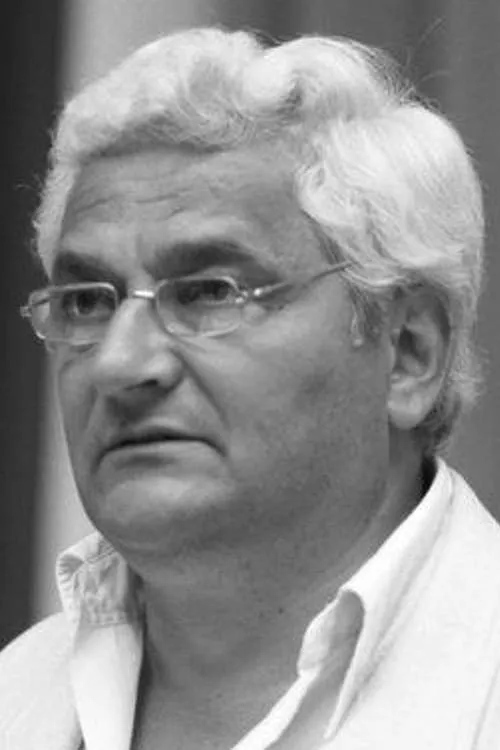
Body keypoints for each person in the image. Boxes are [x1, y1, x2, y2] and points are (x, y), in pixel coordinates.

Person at [1, 26, 499, 750]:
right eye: (85, 302)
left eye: (210, 292)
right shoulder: (16, 693)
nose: (119, 363)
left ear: (408, 353)